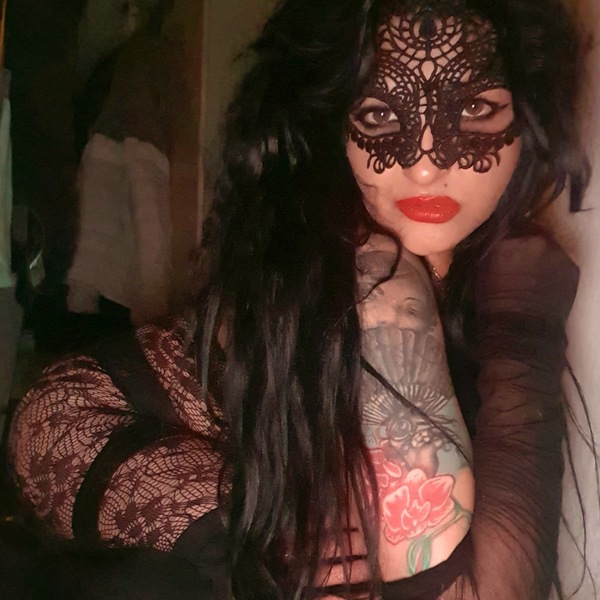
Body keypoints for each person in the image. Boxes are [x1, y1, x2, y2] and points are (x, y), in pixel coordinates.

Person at [7, 0, 589, 599]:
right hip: (79, 427)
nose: (423, 166)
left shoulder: (443, 263)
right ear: (334, 124)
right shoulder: (380, 275)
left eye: (472, 108)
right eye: (380, 113)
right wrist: (525, 335)